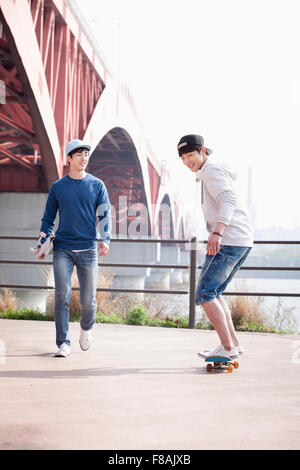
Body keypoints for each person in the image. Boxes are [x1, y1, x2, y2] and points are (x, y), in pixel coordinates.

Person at [177, 134, 253, 359]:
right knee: (215, 292)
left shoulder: (211, 170)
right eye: (182, 158)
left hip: (229, 239)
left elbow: (229, 199)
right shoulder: (210, 170)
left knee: (205, 292)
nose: (186, 161)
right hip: (240, 240)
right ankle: (233, 345)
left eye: (190, 155)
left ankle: (227, 348)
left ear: (202, 150)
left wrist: (217, 232)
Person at [34, 139, 111, 357]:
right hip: (63, 249)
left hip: (88, 248)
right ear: (69, 158)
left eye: (86, 154)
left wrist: (105, 239)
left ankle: (86, 329)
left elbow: (105, 214)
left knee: (88, 300)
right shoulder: (58, 187)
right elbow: (48, 219)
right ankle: (63, 343)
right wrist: (41, 245)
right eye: (79, 154)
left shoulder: (97, 185)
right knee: (62, 295)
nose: (84, 158)